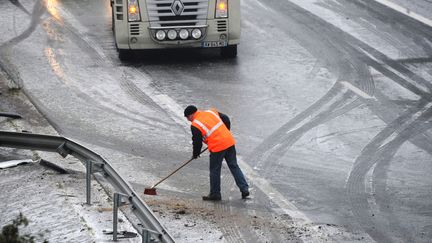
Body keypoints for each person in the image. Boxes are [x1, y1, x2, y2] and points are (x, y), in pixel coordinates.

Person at [184, 105, 250, 201]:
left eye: (187, 118)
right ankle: (244, 189)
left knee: (215, 170)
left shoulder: (195, 124)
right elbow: (226, 119)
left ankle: (215, 194)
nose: (188, 120)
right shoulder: (211, 112)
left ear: (191, 115)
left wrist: (195, 154)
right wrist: (225, 132)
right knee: (234, 166)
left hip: (217, 147)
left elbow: (197, 141)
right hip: (229, 141)